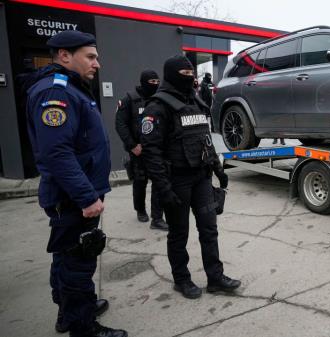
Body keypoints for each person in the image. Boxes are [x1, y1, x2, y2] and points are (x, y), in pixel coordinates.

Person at [24, 30, 127, 337]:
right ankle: (83, 327)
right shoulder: (56, 92)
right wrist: (86, 197)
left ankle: (68, 312)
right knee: (79, 262)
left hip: (75, 193)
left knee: (66, 256)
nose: (97, 63)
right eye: (90, 56)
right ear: (65, 56)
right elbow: (56, 153)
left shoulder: (71, 88)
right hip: (73, 197)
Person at [141, 55, 241, 299]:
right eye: (185, 75)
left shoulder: (195, 102)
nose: (191, 79)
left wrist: (218, 169)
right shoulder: (158, 106)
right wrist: (163, 188)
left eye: (191, 74)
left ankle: (215, 278)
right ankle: (181, 279)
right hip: (177, 181)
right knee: (179, 233)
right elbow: (151, 152)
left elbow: (205, 139)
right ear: (173, 75)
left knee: (209, 229)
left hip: (202, 177)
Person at [115, 70, 168, 231]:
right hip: (138, 150)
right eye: (151, 82)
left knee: (159, 182)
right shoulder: (129, 100)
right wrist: (132, 145)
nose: (155, 85)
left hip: (156, 149)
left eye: (157, 82)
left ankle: (157, 218)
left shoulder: (159, 99)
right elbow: (120, 124)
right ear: (143, 82)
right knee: (140, 181)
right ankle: (140, 209)